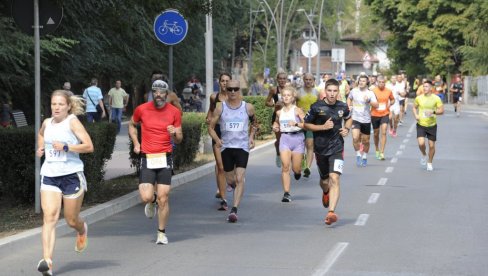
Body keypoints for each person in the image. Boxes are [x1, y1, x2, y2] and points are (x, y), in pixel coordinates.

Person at [36, 90, 94, 276]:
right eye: (54, 104)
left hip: (71, 176)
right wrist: (40, 148)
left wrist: (67, 147)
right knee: (50, 217)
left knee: (71, 220)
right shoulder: (47, 122)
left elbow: (89, 146)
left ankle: (82, 229)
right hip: (50, 175)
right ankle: (47, 262)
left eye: (60, 104)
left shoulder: (72, 122)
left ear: (68, 106)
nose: (56, 107)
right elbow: (41, 135)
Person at [129, 80, 183, 244]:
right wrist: (136, 143)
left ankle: (161, 233)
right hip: (147, 157)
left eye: (162, 92)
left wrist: (174, 133)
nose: (158, 95)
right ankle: (151, 202)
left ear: (167, 94)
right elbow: (132, 125)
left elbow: (179, 139)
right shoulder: (142, 109)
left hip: (164, 157)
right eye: (155, 92)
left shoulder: (174, 112)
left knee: (164, 198)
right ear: (152, 93)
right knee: (146, 196)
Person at [208, 80, 258, 223]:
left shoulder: (247, 107)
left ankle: (234, 209)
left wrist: (251, 137)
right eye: (230, 89)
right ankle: (236, 186)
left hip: (242, 147)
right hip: (226, 147)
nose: (232, 92)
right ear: (226, 90)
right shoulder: (220, 107)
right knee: (230, 179)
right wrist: (217, 139)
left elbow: (255, 123)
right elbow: (210, 127)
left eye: (235, 89)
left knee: (239, 178)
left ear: (239, 90)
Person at [304, 79, 352, 225]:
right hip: (321, 149)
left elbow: (348, 119)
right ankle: (326, 192)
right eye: (329, 91)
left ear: (339, 92)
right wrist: (322, 127)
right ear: (325, 91)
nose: (332, 94)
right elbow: (306, 124)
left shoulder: (343, 106)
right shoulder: (316, 107)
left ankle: (331, 212)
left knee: (335, 179)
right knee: (325, 181)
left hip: (337, 148)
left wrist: (347, 129)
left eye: (335, 91)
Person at [272, 86, 305, 202]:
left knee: (296, 169)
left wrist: (296, 124)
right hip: (285, 139)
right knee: (285, 166)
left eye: (288, 95)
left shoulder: (297, 110)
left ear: (293, 97)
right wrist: (275, 127)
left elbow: (306, 124)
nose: (286, 97)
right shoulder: (279, 112)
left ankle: (298, 171)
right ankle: (286, 193)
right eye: (284, 95)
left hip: (297, 139)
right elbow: (276, 123)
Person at [206, 72, 231, 209]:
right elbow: (210, 110)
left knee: (229, 166)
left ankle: (229, 182)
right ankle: (223, 197)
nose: (225, 83)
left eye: (227, 81)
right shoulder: (214, 97)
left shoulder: (234, 97)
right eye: (222, 81)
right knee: (220, 166)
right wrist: (208, 118)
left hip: (231, 134)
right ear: (219, 82)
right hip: (218, 132)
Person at [347, 75, 378, 167]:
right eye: (360, 81)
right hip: (355, 118)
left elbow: (376, 105)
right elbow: (349, 98)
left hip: (366, 120)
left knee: (366, 141)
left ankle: (364, 156)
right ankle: (358, 154)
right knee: (355, 138)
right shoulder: (354, 91)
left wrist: (369, 101)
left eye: (363, 81)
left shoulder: (370, 93)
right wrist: (349, 106)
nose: (361, 82)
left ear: (367, 83)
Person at [412, 79, 444, 171]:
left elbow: (441, 111)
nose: (424, 88)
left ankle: (429, 162)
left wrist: (433, 112)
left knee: (431, 146)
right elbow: (414, 107)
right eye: (423, 86)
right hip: (421, 124)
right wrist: (416, 115)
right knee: (421, 143)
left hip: (432, 125)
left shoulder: (436, 98)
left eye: (426, 86)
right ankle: (424, 154)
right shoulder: (419, 98)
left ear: (431, 88)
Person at [297, 73, 319, 178]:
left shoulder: (317, 92)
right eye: (306, 79)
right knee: (300, 145)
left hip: (311, 122)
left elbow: (320, 107)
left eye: (310, 79)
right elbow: (292, 105)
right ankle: (302, 160)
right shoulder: (298, 92)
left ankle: (308, 168)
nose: (308, 81)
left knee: (310, 144)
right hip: (300, 123)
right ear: (303, 80)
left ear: (313, 80)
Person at [265, 72, 287, 168]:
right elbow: (266, 102)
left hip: (288, 117)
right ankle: (278, 154)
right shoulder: (274, 90)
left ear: (286, 80)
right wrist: (274, 105)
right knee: (279, 140)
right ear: (277, 80)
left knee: (287, 139)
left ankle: (286, 159)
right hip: (277, 117)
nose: (282, 80)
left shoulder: (290, 90)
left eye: (284, 79)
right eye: (280, 79)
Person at [371, 76, 395, 160]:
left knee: (384, 131)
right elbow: (369, 101)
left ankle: (382, 152)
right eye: (379, 82)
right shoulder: (373, 91)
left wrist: (390, 103)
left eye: (383, 82)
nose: (381, 84)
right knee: (376, 133)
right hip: (374, 114)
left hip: (385, 113)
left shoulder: (388, 91)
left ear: (385, 82)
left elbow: (392, 100)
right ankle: (377, 149)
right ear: (377, 82)